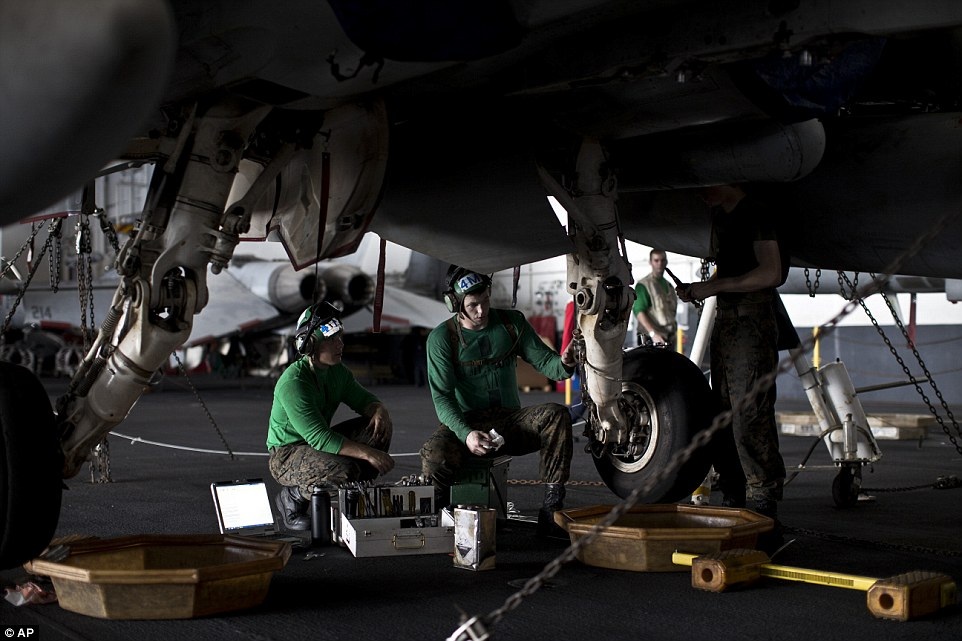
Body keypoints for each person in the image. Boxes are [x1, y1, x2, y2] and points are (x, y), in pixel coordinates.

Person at [419, 266, 577, 537]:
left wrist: (565, 362)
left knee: (557, 414)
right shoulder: (442, 339)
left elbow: (547, 364)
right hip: (466, 425)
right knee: (434, 455)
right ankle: (437, 512)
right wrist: (467, 434)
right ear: (455, 304)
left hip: (508, 423)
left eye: (485, 301)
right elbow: (442, 398)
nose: (481, 311)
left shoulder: (511, 324)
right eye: (472, 305)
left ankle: (551, 509)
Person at [676, 184, 789, 551]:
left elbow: (772, 272)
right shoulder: (720, 216)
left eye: (704, 184)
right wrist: (702, 288)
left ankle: (762, 506)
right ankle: (735, 498)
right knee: (723, 412)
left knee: (748, 414)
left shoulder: (756, 211)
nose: (698, 193)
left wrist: (715, 286)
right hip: (728, 320)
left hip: (752, 321)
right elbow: (727, 269)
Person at [267, 301, 395, 530]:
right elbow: (319, 437)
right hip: (286, 455)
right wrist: (368, 454)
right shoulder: (294, 382)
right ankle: (293, 497)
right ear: (310, 344)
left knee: (378, 427)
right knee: (342, 469)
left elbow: (365, 401)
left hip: (315, 445)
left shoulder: (338, 372)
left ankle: (354, 494)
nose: (341, 344)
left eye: (340, 337)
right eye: (332, 340)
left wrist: (378, 409)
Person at [632, 249, 678, 346]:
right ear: (650, 262)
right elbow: (639, 311)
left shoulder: (669, 286)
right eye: (656, 260)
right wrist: (653, 334)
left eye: (662, 260)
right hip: (651, 339)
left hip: (669, 337)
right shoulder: (644, 285)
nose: (659, 264)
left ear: (666, 262)